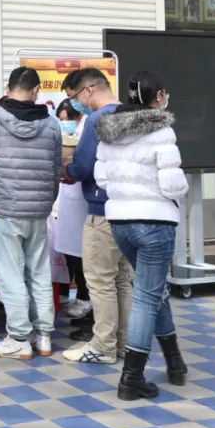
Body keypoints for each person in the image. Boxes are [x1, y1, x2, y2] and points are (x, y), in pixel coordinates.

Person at [95, 71, 188, 401]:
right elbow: (172, 185)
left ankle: (175, 362)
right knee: (147, 297)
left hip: (120, 222)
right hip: (155, 222)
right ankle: (132, 378)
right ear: (158, 96)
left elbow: (101, 179)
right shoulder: (162, 130)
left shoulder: (109, 131)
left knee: (153, 290)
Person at [0, 67, 62, 361]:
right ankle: (44, 336)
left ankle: (19, 338)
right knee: (39, 272)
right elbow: (54, 171)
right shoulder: (51, 124)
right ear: (36, 91)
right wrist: (46, 202)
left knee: (10, 275)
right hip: (38, 211)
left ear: (8, 89)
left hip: (4, 209)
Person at [61, 68, 131, 366]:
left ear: (88, 90)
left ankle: (103, 346)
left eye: (75, 97)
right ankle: (124, 343)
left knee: (100, 282)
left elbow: (83, 166)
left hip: (102, 212)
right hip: (131, 210)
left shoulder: (96, 119)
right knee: (123, 281)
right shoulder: (131, 114)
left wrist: (67, 170)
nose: (76, 104)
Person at [54, 97, 92, 325]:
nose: (63, 124)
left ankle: (86, 298)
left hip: (82, 198)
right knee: (69, 250)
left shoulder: (88, 127)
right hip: (67, 196)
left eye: (64, 119)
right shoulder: (67, 132)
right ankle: (77, 297)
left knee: (83, 252)